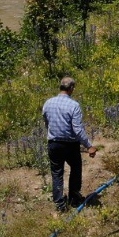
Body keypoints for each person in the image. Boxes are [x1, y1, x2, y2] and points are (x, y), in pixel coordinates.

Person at [42, 76, 97, 211]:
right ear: (71, 88)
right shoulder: (74, 105)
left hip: (54, 144)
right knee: (76, 168)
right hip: (70, 145)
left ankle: (60, 204)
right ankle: (74, 197)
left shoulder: (48, 103)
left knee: (57, 172)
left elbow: (46, 122)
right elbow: (77, 129)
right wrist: (88, 145)